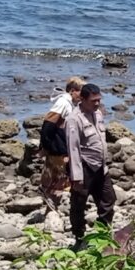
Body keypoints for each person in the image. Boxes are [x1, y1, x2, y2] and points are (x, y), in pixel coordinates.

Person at [65, 83, 115, 251]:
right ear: (83, 99)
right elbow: (73, 148)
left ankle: (101, 235)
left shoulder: (98, 114)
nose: (97, 104)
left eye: (99, 100)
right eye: (93, 101)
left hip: (101, 167)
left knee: (109, 200)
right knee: (79, 204)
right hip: (85, 168)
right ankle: (79, 238)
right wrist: (76, 176)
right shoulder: (74, 119)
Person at [38, 76, 84, 210]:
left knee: (58, 178)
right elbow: (48, 124)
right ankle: (53, 206)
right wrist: (46, 146)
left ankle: (52, 206)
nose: (82, 97)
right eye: (81, 92)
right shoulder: (63, 103)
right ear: (73, 91)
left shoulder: (68, 104)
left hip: (61, 147)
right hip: (58, 148)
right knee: (59, 177)